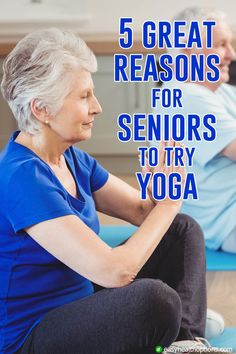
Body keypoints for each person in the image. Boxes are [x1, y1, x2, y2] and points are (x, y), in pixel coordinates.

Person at [0, 28, 222, 354]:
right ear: (41, 109)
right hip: (32, 337)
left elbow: (143, 212)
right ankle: (176, 327)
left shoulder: (71, 158)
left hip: (80, 299)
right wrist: (171, 201)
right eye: (83, 96)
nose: (97, 107)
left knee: (180, 230)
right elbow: (116, 272)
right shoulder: (21, 178)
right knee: (156, 301)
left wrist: (164, 183)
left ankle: (185, 342)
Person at [151, 7, 236, 253]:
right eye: (221, 45)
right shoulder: (185, 96)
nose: (231, 54)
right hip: (223, 221)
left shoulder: (219, 91)